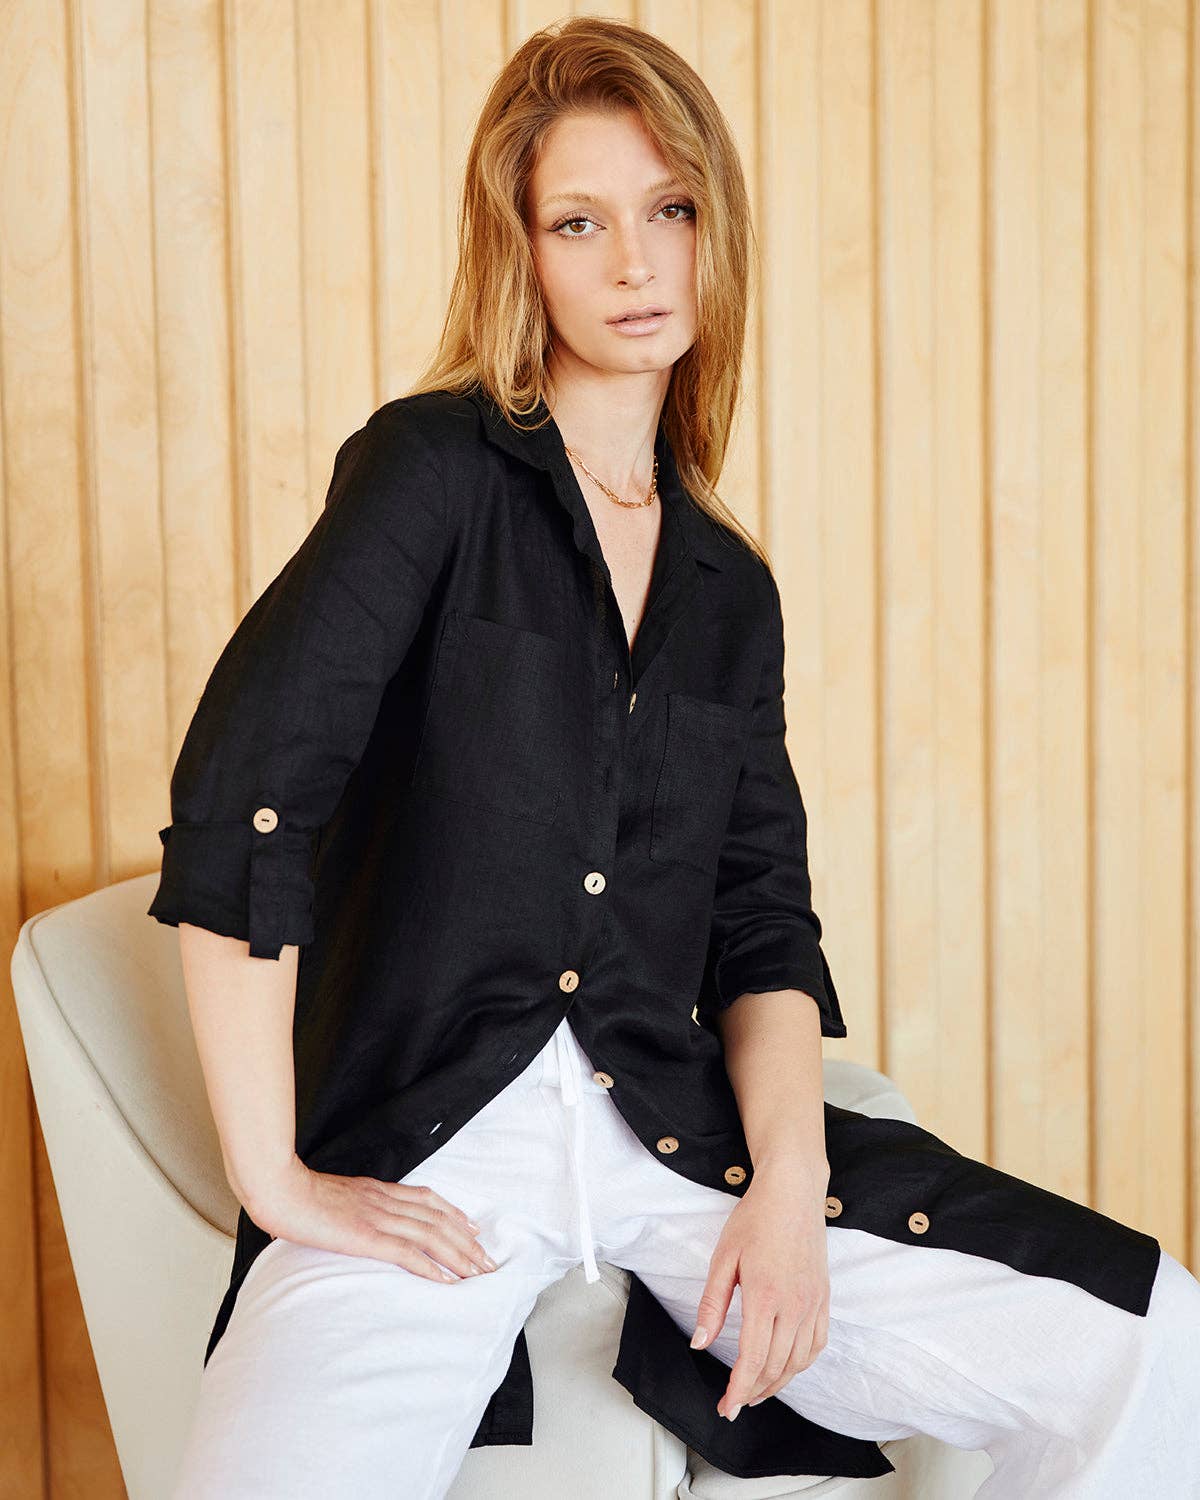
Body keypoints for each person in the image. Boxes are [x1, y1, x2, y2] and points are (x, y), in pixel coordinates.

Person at [150, 17, 1200, 1500]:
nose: (636, 264)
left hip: (675, 1146)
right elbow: (245, 795)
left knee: (1153, 1342)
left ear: (719, 233)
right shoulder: (430, 472)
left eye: (672, 210)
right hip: (426, 1153)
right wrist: (279, 1183)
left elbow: (764, 926)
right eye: (580, 223)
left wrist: (790, 1193)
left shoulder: (727, 587)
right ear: (522, 253)